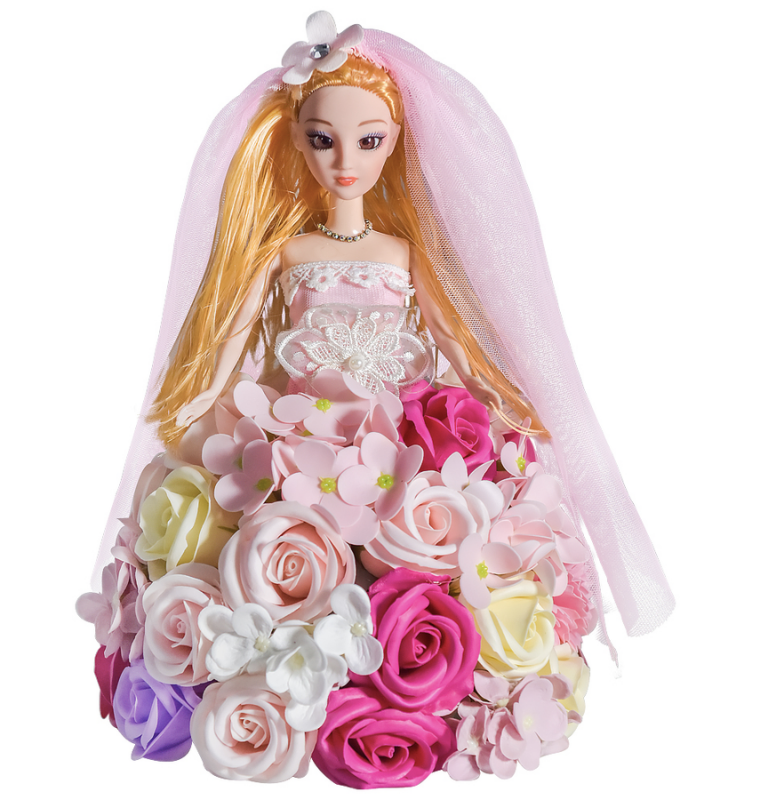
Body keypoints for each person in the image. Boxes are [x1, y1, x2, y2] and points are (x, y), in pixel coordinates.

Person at [79, 12, 673, 784]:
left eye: (369, 140)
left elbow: (457, 337)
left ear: (394, 143)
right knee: (290, 542)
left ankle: (395, 670)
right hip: (297, 435)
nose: (346, 161)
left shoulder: (402, 251)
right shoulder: (287, 251)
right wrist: (197, 399)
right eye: (323, 139)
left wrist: (502, 399)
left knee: (399, 533)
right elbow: (229, 338)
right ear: (296, 142)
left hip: (393, 446)